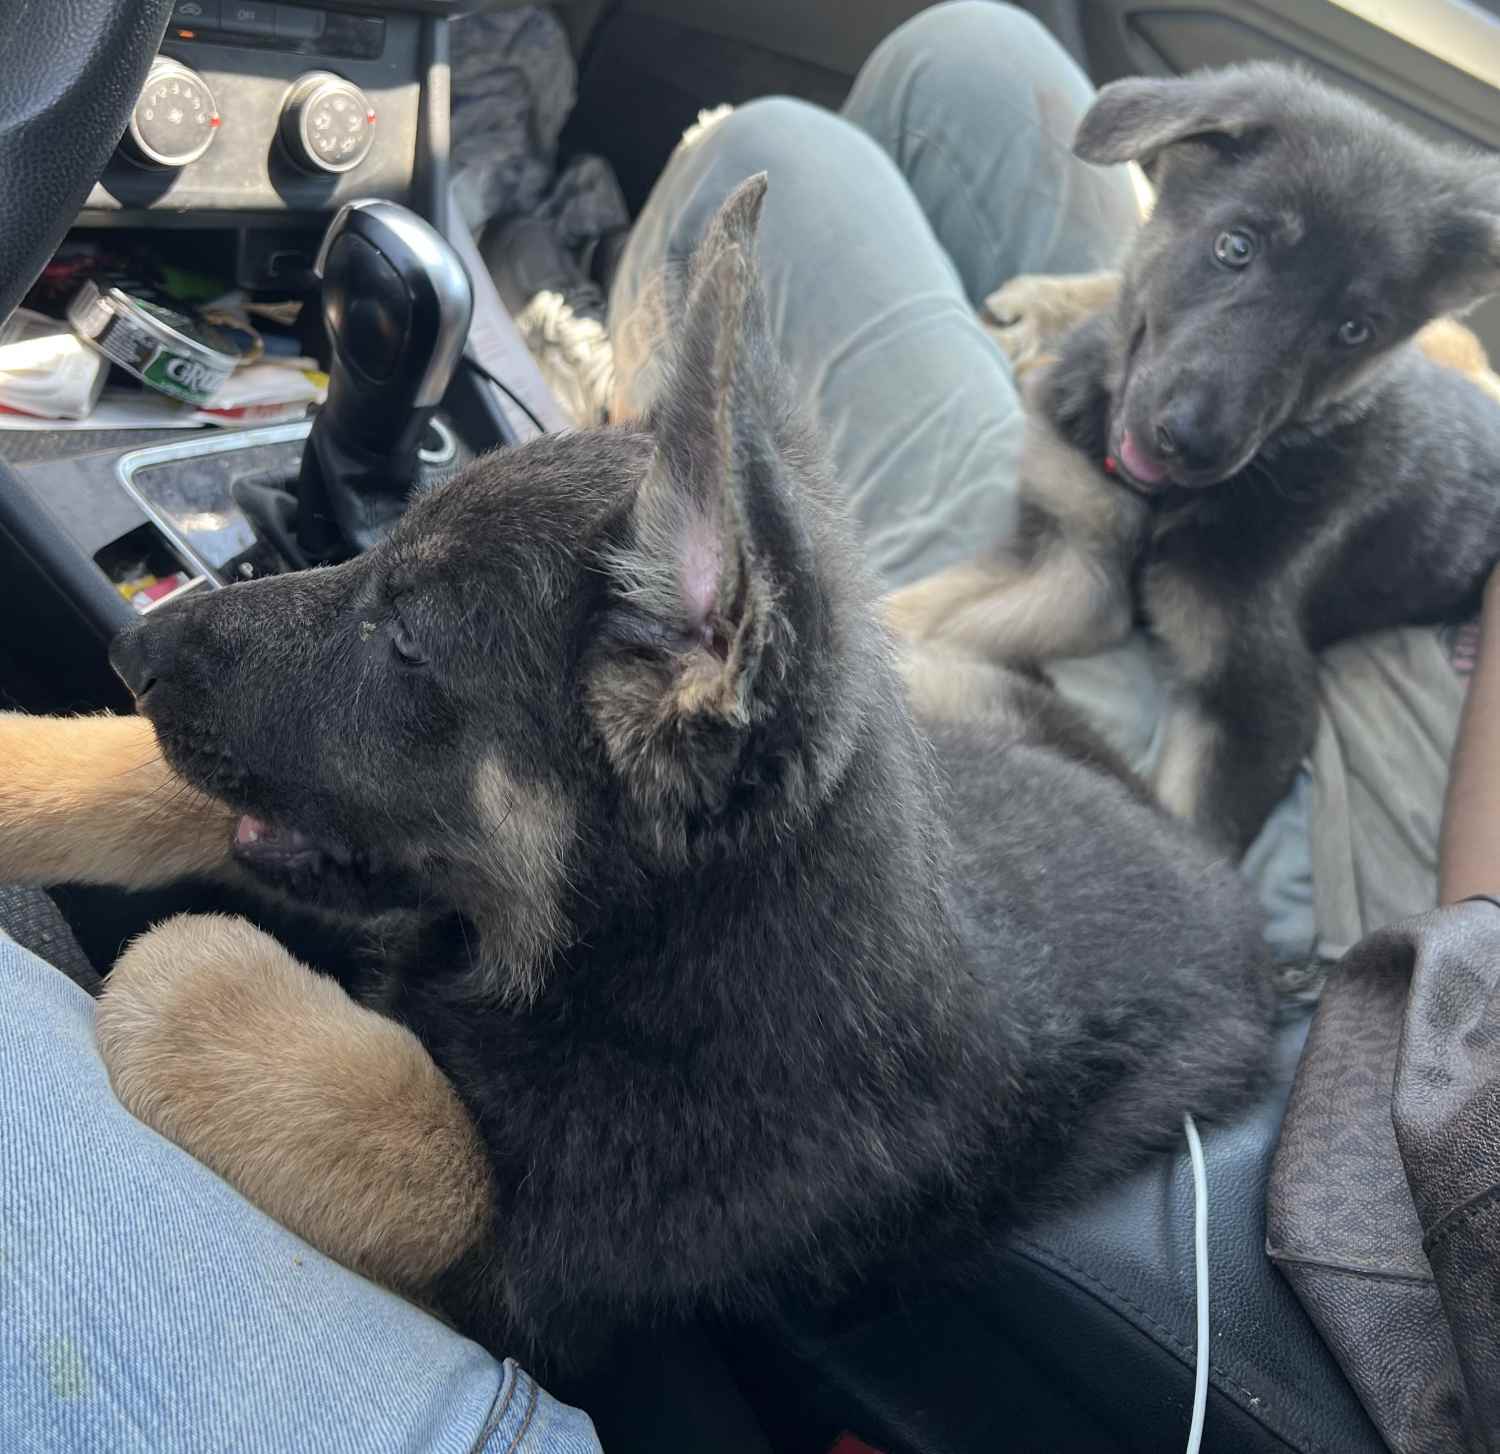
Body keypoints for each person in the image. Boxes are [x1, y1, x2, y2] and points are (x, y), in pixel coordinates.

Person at [0, 3, 1477, 1447]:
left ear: (672, 668)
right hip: (1042, 840)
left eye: (396, 629)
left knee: (775, 147)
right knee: (970, 50)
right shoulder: (720, 761)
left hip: (1234, 994)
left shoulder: (684, 1164)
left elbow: (498, 1247)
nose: (161, 652)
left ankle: (515, 268)